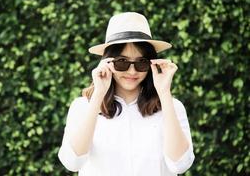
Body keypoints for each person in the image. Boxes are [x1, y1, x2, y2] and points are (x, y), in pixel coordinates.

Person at [58, 12, 195, 176]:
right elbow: (72, 162)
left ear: (151, 64)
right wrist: (98, 95)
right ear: (108, 62)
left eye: (141, 63)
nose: (132, 71)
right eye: (122, 62)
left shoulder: (171, 106)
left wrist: (164, 93)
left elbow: (180, 165)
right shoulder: (83, 106)